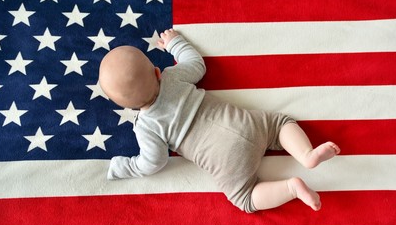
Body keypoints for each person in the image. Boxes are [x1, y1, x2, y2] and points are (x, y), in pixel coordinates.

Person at [98, 28, 341, 213]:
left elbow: (153, 162)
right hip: (243, 123)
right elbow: (197, 64)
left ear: (126, 106)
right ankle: (306, 154)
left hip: (226, 160)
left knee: (245, 198)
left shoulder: (146, 127)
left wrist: (125, 166)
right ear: (156, 73)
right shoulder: (172, 78)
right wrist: (175, 44)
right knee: (280, 123)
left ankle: (291, 188)